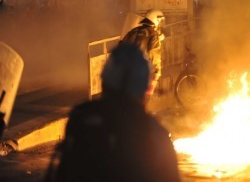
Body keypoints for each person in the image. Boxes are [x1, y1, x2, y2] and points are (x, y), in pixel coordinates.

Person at [47, 42, 181, 182]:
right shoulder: (154, 133)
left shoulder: (81, 118)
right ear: (143, 89)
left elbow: (61, 173)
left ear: (104, 81)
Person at [121, 9, 165, 97]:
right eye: (159, 21)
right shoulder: (153, 34)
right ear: (155, 20)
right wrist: (157, 72)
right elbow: (155, 55)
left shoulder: (133, 31)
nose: (159, 24)